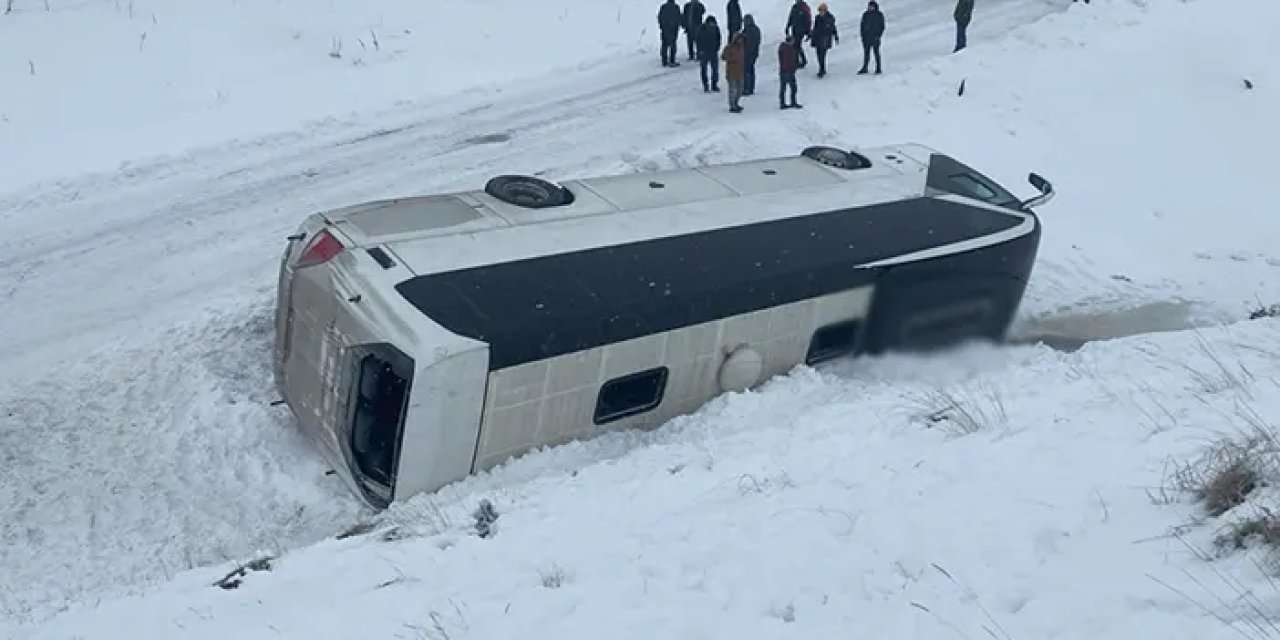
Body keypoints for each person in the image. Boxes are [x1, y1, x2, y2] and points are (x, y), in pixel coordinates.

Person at [810, 3, 839, 77]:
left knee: (822, 54)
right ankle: (822, 68)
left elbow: (833, 28)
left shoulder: (830, 18)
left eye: (822, 11)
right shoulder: (817, 18)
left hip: (825, 38)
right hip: (817, 38)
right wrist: (811, 35)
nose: (820, 12)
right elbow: (815, 28)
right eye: (820, 11)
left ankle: (822, 69)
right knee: (818, 54)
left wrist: (836, 36)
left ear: (825, 11)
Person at [721, 32, 746, 112]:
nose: (740, 40)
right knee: (733, 90)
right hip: (731, 72)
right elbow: (723, 57)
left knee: (740, 90)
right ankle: (732, 106)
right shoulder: (729, 48)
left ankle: (736, 103)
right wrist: (732, 59)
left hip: (740, 72)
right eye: (739, 39)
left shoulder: (742, 47)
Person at [697, 16, 723, 92]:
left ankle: (714, 85)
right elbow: (698, 40)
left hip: (713, 51)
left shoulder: (715, 28)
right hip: (704, 52)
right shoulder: (702, 29)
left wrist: (717, 48)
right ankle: (706, 85)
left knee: (714, 70)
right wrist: (700, 50)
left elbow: (718, 38)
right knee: (704, 70)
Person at [858, 0, 884, 74]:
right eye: (869, 6)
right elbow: (862, 26)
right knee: (866, 54)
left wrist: (878, 35)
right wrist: (863, 36)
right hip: (866, 38)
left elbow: (882, 26)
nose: (870, 8)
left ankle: (878, 68)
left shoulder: (879, 15)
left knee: (876, 53)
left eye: (872, 6)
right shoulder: (865, 14)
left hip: (875, 37)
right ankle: (865, 68)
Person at [777, 34, 802, 109]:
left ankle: (782, 103)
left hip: (783, 71)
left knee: (783, 88)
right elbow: (788, 61)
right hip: (788, 71)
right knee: (793, 87)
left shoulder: (783, 48)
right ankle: (793, 102)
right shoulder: (788, 49)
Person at [785, 0, 812, 68]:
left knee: (796, 45)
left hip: (801, 30)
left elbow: (808, 20)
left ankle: (797, 62)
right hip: (795, 29)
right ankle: (802, 60)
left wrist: (808, 31)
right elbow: (791, 17)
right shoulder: (794, 7)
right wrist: (788, 26)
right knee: (796, 45)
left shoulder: (805, 8)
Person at [658, 0, 684, 67]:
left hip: (665, 28)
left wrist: (661, 26)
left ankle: (664, 61)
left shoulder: (663, 7)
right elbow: (679, 17)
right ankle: (672, 60)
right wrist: (680, 25)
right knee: (673, 44)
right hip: (673, 29)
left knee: (664, 44)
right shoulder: (676, 7)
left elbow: (660, 17)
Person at [741, 14, 762, 95]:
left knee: (747, 70)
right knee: (750, 70)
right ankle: (750, 87)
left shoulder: (750, 30)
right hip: (752, 53)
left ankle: (747, 88)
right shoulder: (753, 29)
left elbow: (751, 42)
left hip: (749, 53)